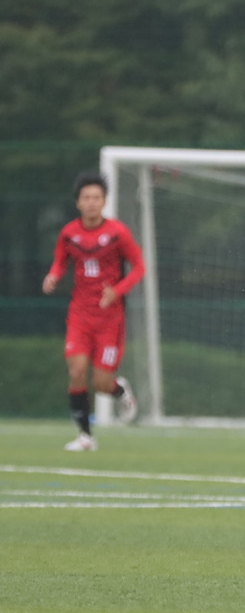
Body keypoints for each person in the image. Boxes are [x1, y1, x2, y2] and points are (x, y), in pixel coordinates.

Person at [42, 171, 144, 451]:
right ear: (78, 202)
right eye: (86, 197)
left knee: (101, 383)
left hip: (110, 319)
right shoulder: (68, 234)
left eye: (96, 197)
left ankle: (119, 390)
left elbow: (139, 267)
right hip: (80, 315)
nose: (91, 202)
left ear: (104, 201)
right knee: (76, 371)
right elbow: (60, 262)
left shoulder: (117, 233)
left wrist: (117, 291)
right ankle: (86, 436)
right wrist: (53, 276)